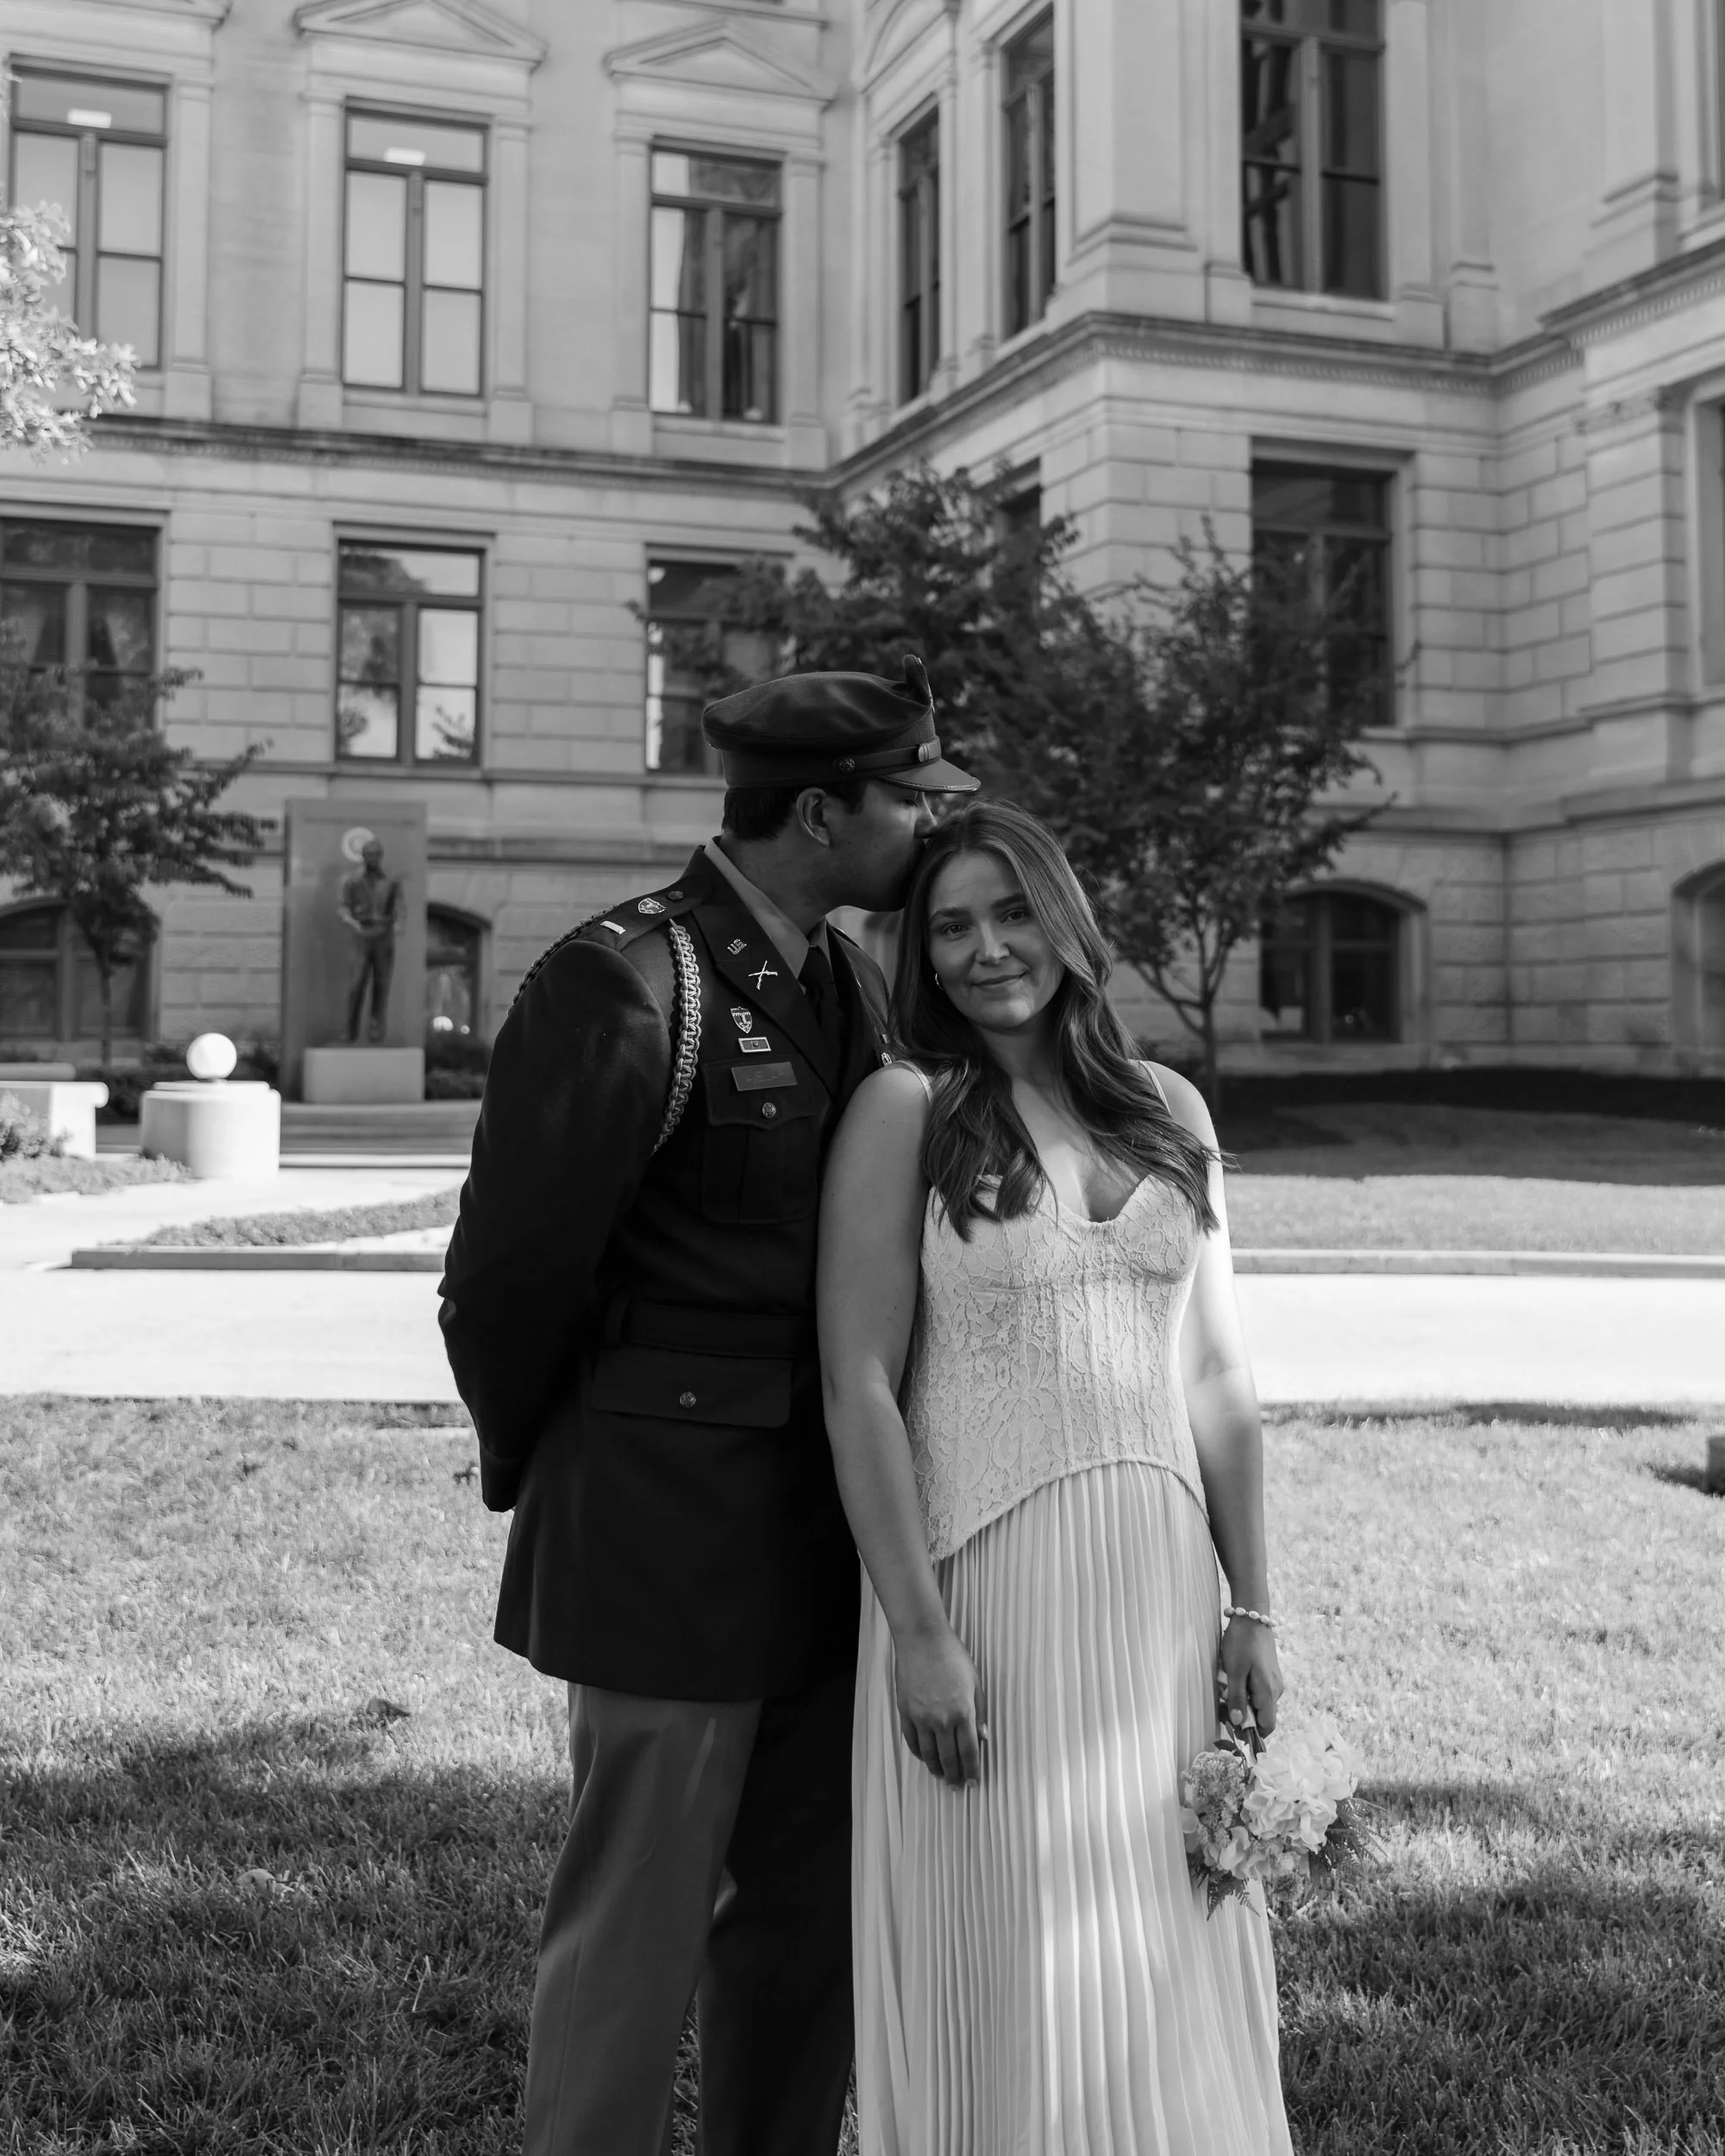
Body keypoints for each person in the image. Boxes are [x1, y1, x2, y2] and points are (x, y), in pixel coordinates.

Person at [438, 656, 976, 2156]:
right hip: (662, 1530)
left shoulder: (846, 977)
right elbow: (503, 1279)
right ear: (822, 812)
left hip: (829, 1533)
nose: (935, 821)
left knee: (807, 1925)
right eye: (912, 798)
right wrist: (563, 1471)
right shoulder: (623, 978)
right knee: (636, 1929)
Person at [818, 799, 1294, 2156]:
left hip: (1153, 1597)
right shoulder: (907, 1108)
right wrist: (918, 1633)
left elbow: (1216, 1377)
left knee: (1161, 1916)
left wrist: (1251, 1608)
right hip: (983, 1588)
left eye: (1012, 912)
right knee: (1018, 1935)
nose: (986, 949)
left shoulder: (1171, 1110)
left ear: (1064, 919)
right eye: (952, 926)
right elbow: (858, 1386)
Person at [337, 837, 403, 1044]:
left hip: (384, 936)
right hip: (362, 935)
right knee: (356, 985)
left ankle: (377, 1034)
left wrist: (399, 923)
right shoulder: (352, 880)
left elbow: (400, 907)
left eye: (376, 854)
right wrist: (351, 921)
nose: (373, 858)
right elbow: (343, 906)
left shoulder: (391, 881)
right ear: (363, 856)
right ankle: (350, 1032)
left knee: (381, 987)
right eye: (369, 854)